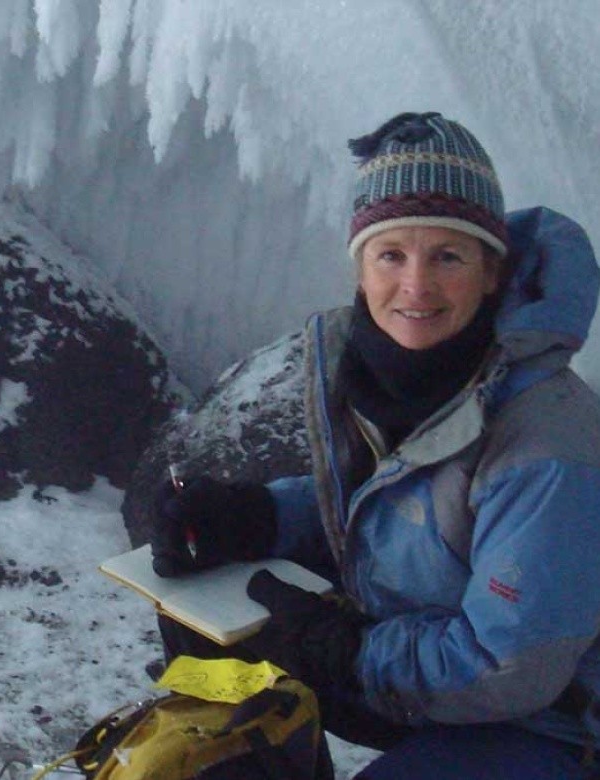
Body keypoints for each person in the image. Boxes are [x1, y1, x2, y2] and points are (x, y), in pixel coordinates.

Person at [150, 112, 600, 779]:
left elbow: (511, 667)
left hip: (546, 722)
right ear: (361, 268)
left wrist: (348, 653)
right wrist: (259, 516)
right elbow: (390, 506)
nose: (415, 286)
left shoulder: (546, 444)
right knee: (205, 636)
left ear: (491, 273)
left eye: (448, 255)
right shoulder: (382, 372)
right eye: (392, 254)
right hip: (418, 658)